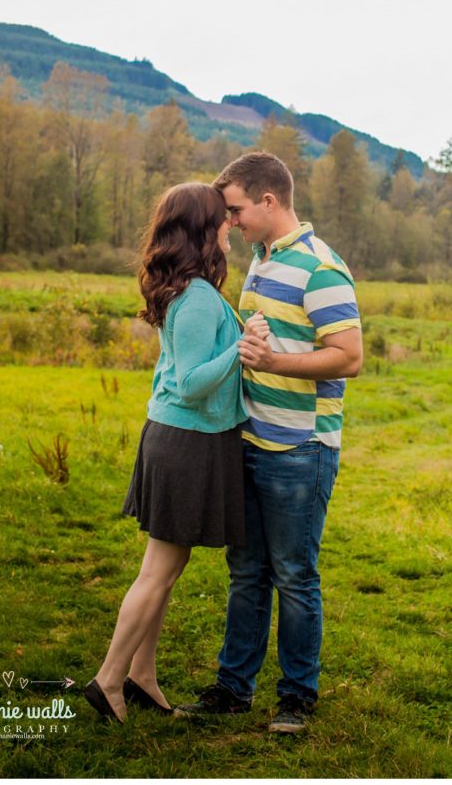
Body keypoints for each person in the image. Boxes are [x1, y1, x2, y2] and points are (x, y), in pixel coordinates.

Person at [175, 152, 363, 734]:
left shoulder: (320, 269)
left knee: (295, 575)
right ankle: (233, 690)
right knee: (247, 572)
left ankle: (296, 699)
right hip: (251, 440)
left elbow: (349, 357)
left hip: (300, 450)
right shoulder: (261, 260)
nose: (229, 223)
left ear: (269, 201)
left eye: (235, 211)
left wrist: (275, 358)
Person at [83, 182, 270, 723]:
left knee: (166, 565)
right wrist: (239, 350)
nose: (230, 226)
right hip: (184, 442)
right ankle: (109, 680)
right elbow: (190, 383)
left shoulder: (193, 291)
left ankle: (142, 675)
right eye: (221, 219)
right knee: (158, 571)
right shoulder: (195, 298)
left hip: (190, 440)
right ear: (200, 230)